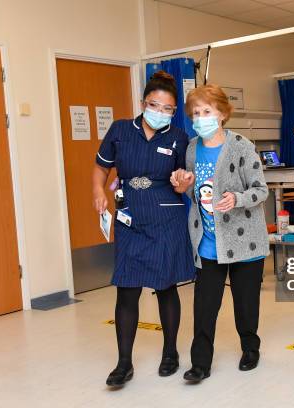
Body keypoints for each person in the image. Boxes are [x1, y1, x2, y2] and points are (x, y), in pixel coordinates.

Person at [92, 71, 195, 387]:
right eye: (154, 105)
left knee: (165, 286)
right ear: (142, 103)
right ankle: (124, 363)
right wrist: (98, 192)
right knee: (127, 289)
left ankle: (170, 353)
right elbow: (101, 167)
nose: (160, 112)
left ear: (174, 112)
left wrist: (183, 183)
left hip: (166, 218)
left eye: (168, 109)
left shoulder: (178, 137)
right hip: (130, 219)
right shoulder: (121, 130)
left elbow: (183, 181)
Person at [170, 84, 269, 382]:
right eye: (196, 113)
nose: (201, 118)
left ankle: (250, 349)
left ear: (223, 114)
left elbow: (261, 190)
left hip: (245, 241)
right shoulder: (190, 148)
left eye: (207, 112)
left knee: (246, 304)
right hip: (209, 243)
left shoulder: (241, 146)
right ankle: (200, 363)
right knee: (204, 307)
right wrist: (182, 185)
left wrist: (236, 199)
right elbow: (194, 193)